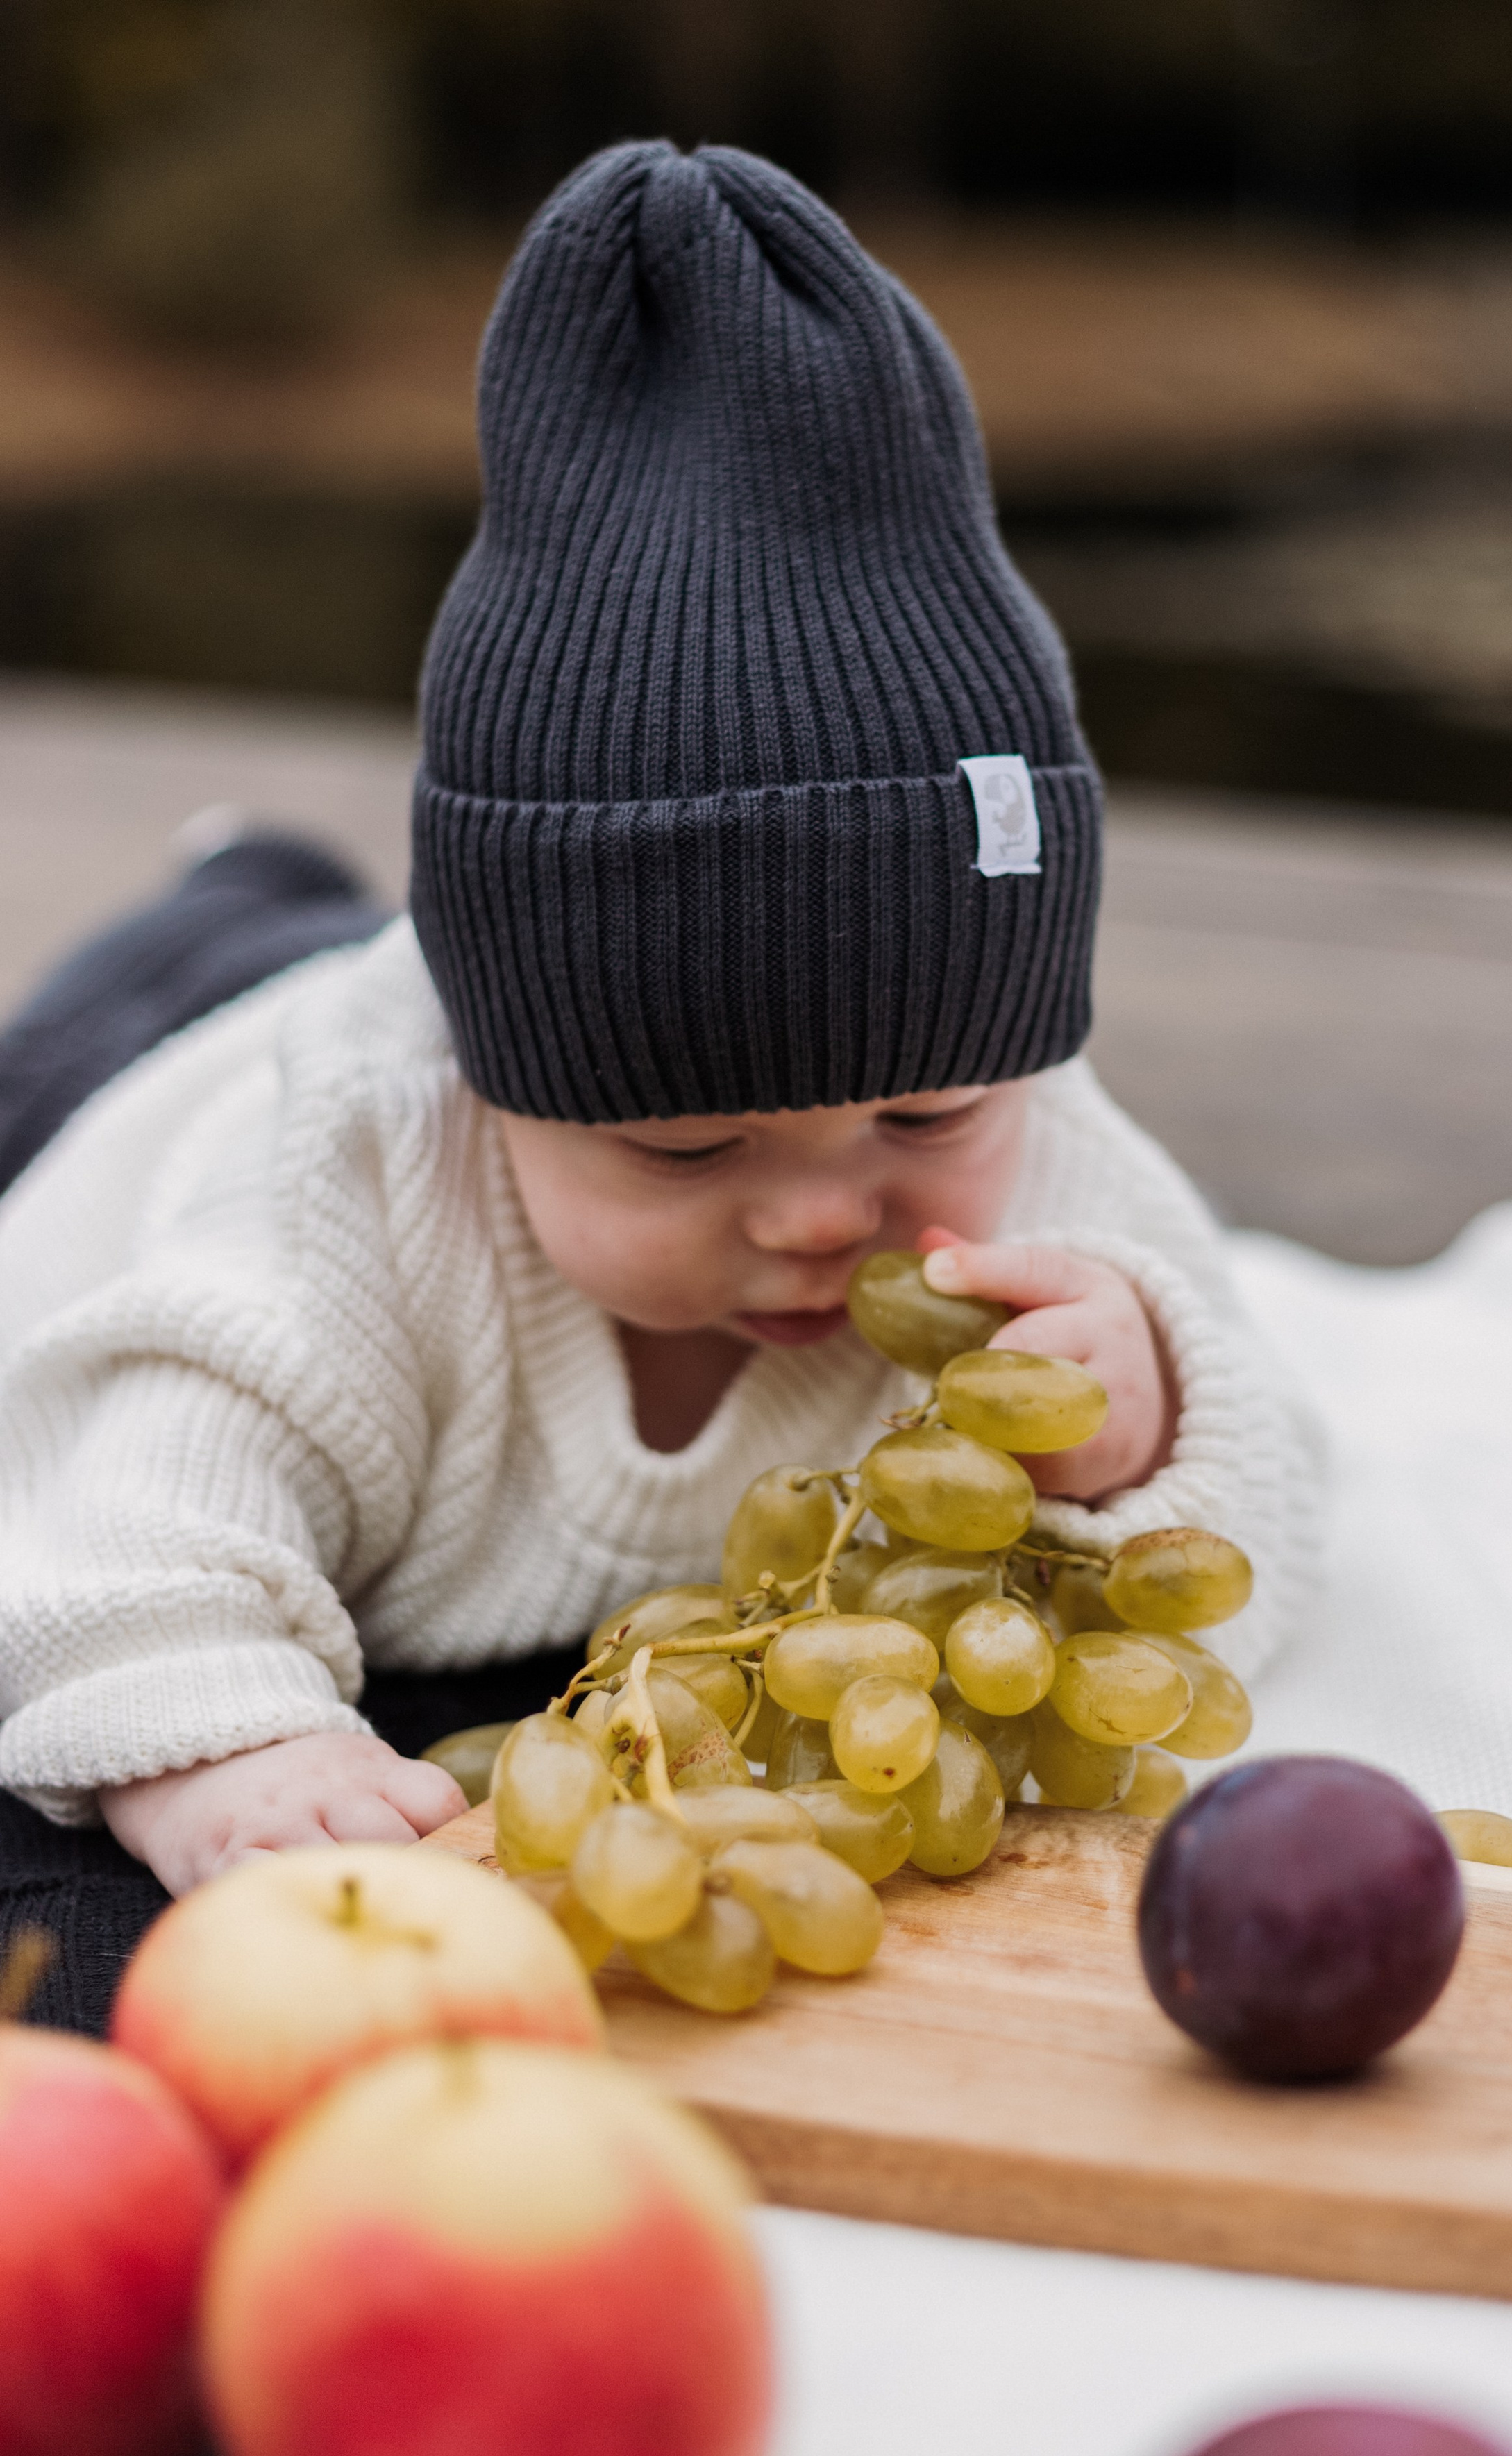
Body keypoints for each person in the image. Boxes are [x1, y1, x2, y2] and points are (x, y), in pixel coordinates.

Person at [0, 143, 1320, 2031]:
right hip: (176, 1085)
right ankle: (242, 906)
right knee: (92, 1058)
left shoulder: (1043, 1170)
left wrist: (1146, 1425)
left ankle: (288, 908)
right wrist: (212, 1749)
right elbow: (105, 1526)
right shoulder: (330, 1200)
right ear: (498, 1075)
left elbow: (1250, 1535)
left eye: (928, 1115)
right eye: (690, 1141)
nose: (823, 1210)